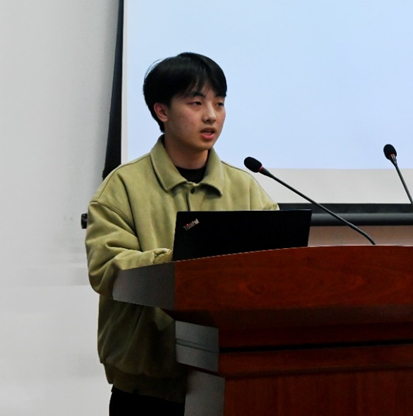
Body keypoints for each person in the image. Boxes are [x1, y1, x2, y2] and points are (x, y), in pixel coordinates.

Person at [84, 53, 277, 415]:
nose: (211, 115)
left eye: (219, 103)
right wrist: (179, 261)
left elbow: (277, 264)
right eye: (196, 103)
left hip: (232, 379)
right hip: (147, 389)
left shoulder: (246, 189)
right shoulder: (122, 187)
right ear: (162, 111)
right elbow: (107, 269)